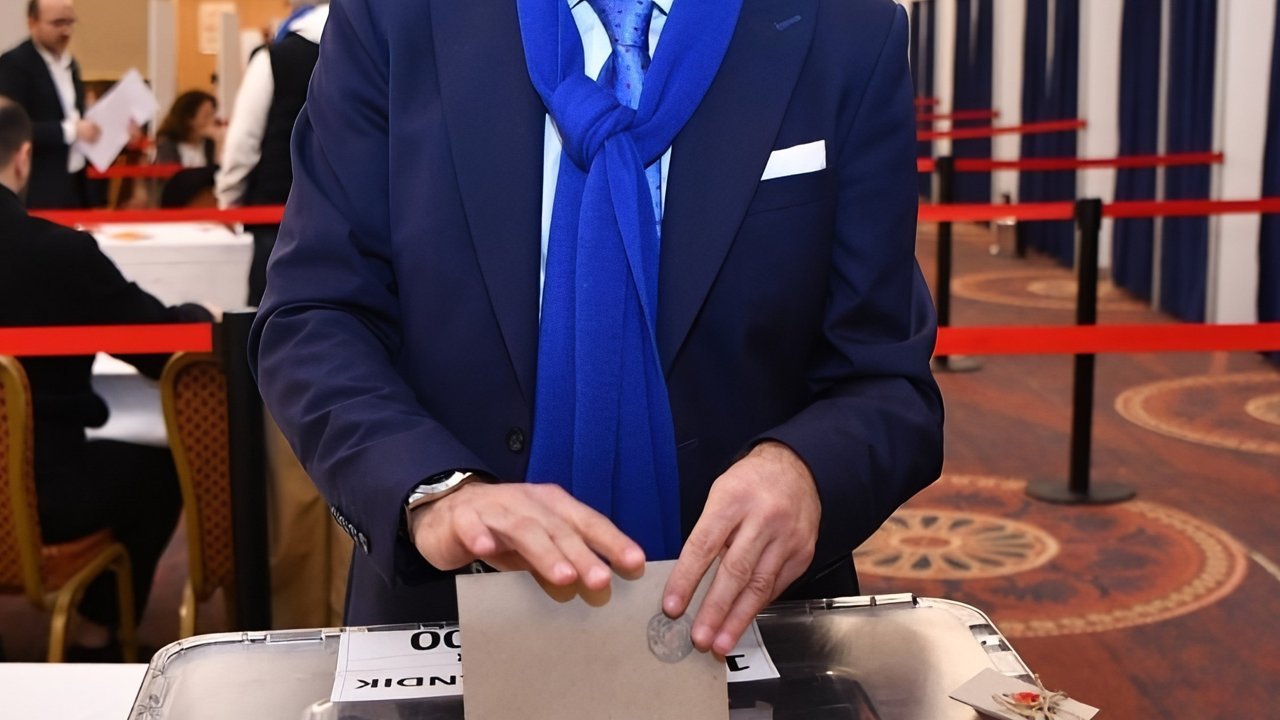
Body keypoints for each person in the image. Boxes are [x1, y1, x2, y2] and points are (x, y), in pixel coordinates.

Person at [249, 0, 943, 658]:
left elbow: (886, 378)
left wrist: (806, 470)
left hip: (751, 627)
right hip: (444, 618)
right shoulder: (394, 18)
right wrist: (434, 490)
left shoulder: (846, 32)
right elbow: (315, 314)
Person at [0, 97, 213, 660]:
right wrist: (202, 316)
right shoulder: (56, 253)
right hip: (43, 495)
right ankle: (96, 634)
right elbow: (161, 345)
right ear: (24, 157)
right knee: (160, 469)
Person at [215, 2, 328, 305]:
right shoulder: (369, 58)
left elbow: (244, 141)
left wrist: (229, 198)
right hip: (350, 223)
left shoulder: (275, 58)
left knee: (271, 313)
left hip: (277, 215)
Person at [0, 0, 98, 209]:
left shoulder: (72, 65)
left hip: (75, 182)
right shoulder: (13, 64)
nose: (66, 31)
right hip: (38, 186)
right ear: (32, 23)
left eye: (70, 22)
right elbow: (12, 128)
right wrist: (70, 131)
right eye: (57, 23)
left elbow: (71, 113)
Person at [155, 90, 220, 169]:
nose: (213, 120)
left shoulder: (209, 143)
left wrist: (219, 142)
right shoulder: (168, 145)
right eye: (207, 116)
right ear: (189, 119)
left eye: (213, 114)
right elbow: (170, 174)